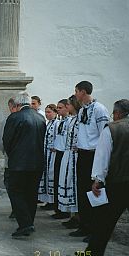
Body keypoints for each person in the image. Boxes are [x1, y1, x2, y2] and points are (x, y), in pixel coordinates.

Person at [76, 99, 129, 256]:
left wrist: (97, 179)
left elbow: (103, 156)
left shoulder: (111, 128)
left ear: (117, 113)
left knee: (103, 221)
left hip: (117, 182)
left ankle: (93, 254)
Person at [70, 81, 109, 240]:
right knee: (82, 190)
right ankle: (84, 225)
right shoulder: (81, 111)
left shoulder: (99, 109)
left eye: (77, 91)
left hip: (94, 154)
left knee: (94, 191)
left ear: (83, 92)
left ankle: (96, 229)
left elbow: (104, 135)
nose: (75, 94)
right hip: (83, 155)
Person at [3, 91, 46, 237]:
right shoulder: (40, 118)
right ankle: (29, 222)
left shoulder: (14, 117)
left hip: (19, 162)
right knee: (31, 193)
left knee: (15, 191)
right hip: (37, 163)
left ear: (18, 104)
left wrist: (12, 155)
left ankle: (25, 224)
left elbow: (7, 140)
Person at [57, 96, 81, 224]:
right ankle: (74, 216)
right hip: (68, 154)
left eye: (69, 105)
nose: (67, 107)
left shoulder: (78, 119)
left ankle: (78, 217)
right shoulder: (71, 120)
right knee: (68, 183)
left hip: (75, 156)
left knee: (74, 184)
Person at [0, 97, 18, 218]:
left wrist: (6, 153)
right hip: (31, 161)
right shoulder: (37, 118)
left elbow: (2, 141)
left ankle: (16, 209)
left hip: (11, 160)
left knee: (11, 185)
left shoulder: (8, 120)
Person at [38, 104, 58, 205]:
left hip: (52, 154)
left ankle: (53, 201)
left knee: (51, 175)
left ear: (55, 113)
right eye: (46, 112)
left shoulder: (56, 124)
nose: (47, 114)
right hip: (46, 154)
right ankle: (48, 200)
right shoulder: (48, 123)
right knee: (46, 176)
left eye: (49, 112)